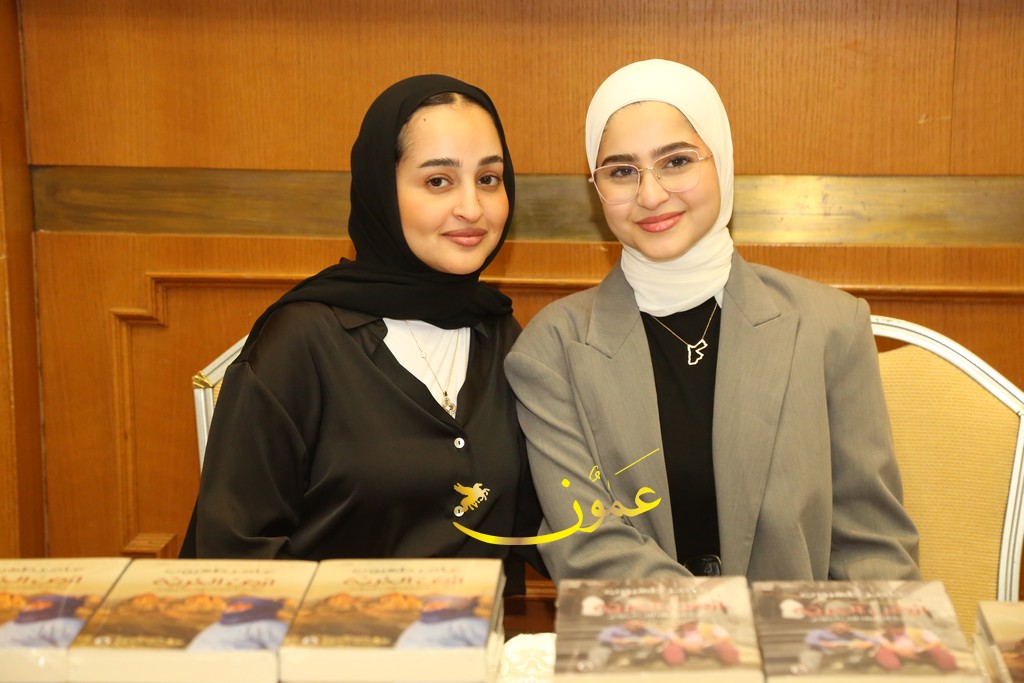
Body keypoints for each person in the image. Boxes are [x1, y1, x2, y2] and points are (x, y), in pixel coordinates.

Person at [504, 59, 920, 583]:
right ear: (596, 187)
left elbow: (871, 547)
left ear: (720, 160)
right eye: (621, 171)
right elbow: (588, 549)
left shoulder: (829, 327)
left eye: (676, 161)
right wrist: (725, 625)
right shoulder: (552, 350)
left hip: (796, 636)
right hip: (636, 635)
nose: (650, 195)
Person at [181, 74, 543, 593]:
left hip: (474, 638)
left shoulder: (501, 334)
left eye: (488, 178)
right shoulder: (301, 343)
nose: (472, 207)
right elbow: (232, 557)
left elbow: (545, 520)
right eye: (438, 181)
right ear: (380, 189)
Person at [186, 596, 287, 651]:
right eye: (234, 604)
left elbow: (286, 653)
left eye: (244, 605)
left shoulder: (267, 626)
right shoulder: (217, 626)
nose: (235, 607)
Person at [0, 594, 86, 648]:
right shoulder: (12, 624)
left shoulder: (65, 624)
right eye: (34, 603)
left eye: (45, 603)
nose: (35, 605)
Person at [874, 621, 958, 672]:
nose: (887, 630)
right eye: (886, 628)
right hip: (898, 652)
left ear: (901, 627)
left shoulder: (919, 632)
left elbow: (936, 642)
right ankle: (893, 669)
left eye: (890, 628)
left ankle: (949, 668)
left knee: (937, 650)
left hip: (920, 651)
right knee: (882, 651)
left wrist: (918, 650)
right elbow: (886, 645)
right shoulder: (882, 634)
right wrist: (900, 650)